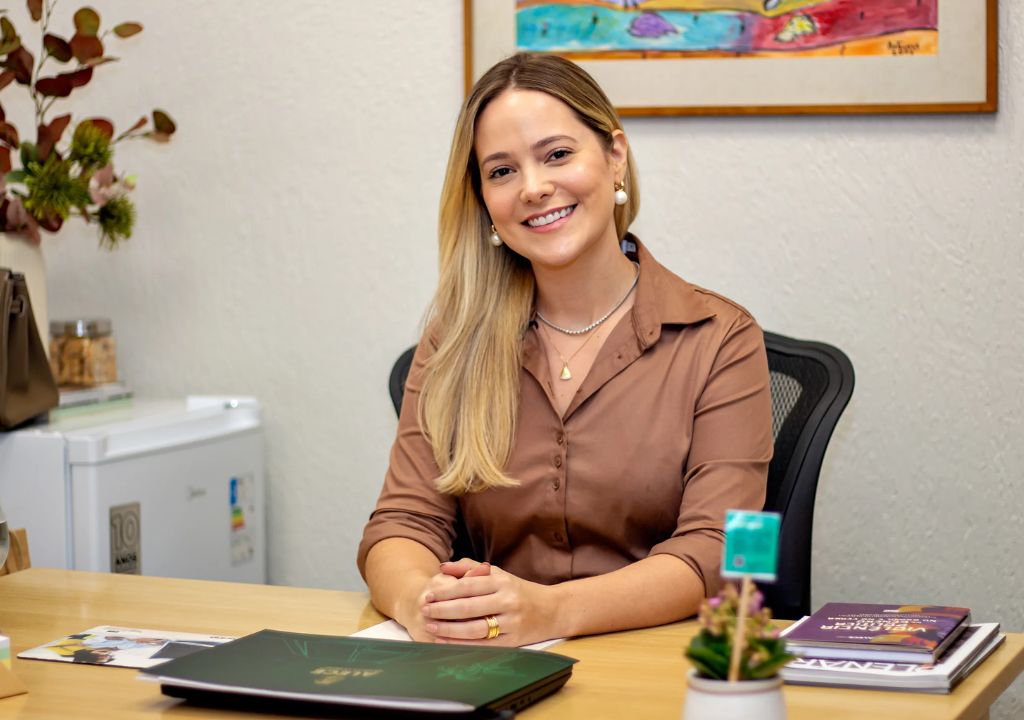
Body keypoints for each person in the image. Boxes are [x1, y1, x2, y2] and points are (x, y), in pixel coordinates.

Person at [358, 53, 771, 647]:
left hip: (656, 670)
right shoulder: (455, 339)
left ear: (614, 156)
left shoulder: (719, 338)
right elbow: (403, 524)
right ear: (483, 200)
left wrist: (550, 612)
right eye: (501, 172)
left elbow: (720, 551)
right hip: (491, 667)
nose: (533, 188)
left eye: (557, 155)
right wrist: (421, 602)